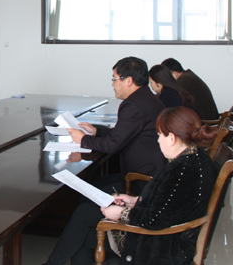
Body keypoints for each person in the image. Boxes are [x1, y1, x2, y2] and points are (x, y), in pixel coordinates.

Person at [22, 107, 218, 265]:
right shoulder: (195, 159)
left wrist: (121, 214)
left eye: (160, 136)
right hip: (167, 239)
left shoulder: (182, 171)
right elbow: (170, 204)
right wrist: (135, 200)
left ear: (172, 138)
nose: (158, 141)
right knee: (84, 221)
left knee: (84, 222)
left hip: (159, 249)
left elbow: (153, 219)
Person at [68, 57, 167, 193]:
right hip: (150, 170)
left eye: (114, 79)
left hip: (140, 180)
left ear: (129, 81)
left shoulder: (133, 105)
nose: (112, 85)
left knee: (88, 191)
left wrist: (83, 139)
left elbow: (112, 145)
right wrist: (96, 131)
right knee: (97, 182)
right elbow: (122, 133)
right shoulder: (146, 97)